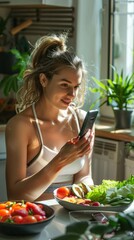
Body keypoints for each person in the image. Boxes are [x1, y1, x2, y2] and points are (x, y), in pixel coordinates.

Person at [5, 33, 95, 201]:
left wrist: (88, 195)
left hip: (72, 214)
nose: (72, 94)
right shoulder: (20, 126)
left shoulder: (82, 121)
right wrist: (60, 160)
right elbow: (15, 195)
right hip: (37, 218)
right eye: (64, 85)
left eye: (76, 86)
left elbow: (84, 176)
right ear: (44, 80)